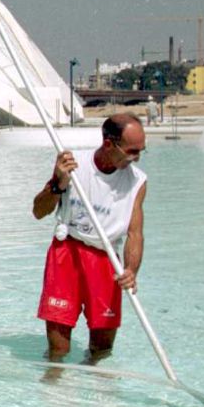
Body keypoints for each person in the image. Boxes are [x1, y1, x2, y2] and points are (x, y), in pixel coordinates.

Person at [31, 113, 147, 365]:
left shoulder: (137, 181)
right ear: (109, 144)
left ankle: (98, 395)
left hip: (106, 260)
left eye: (141, 151)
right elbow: (38, 212)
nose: (136, 158)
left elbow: (135, 232)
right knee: (58, 349)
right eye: (132, 151)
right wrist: (57, 183)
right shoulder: (73, 165)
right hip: (67, 253)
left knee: (102, 350)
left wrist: (130, 270)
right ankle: (54, 392)